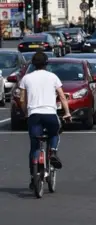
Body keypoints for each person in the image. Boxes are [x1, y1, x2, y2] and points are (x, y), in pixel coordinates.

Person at [18, 52, 71, 189]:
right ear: (46, 64)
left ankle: (33, 177)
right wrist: (67, 113)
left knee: (34, 146)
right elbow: (62, 96)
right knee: (55, 133)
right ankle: (52, 151)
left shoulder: (26, 78)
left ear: (33, 64)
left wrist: (26, 113)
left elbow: (23, 100)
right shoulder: (53, 77)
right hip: (50, 114)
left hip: (34, 115)